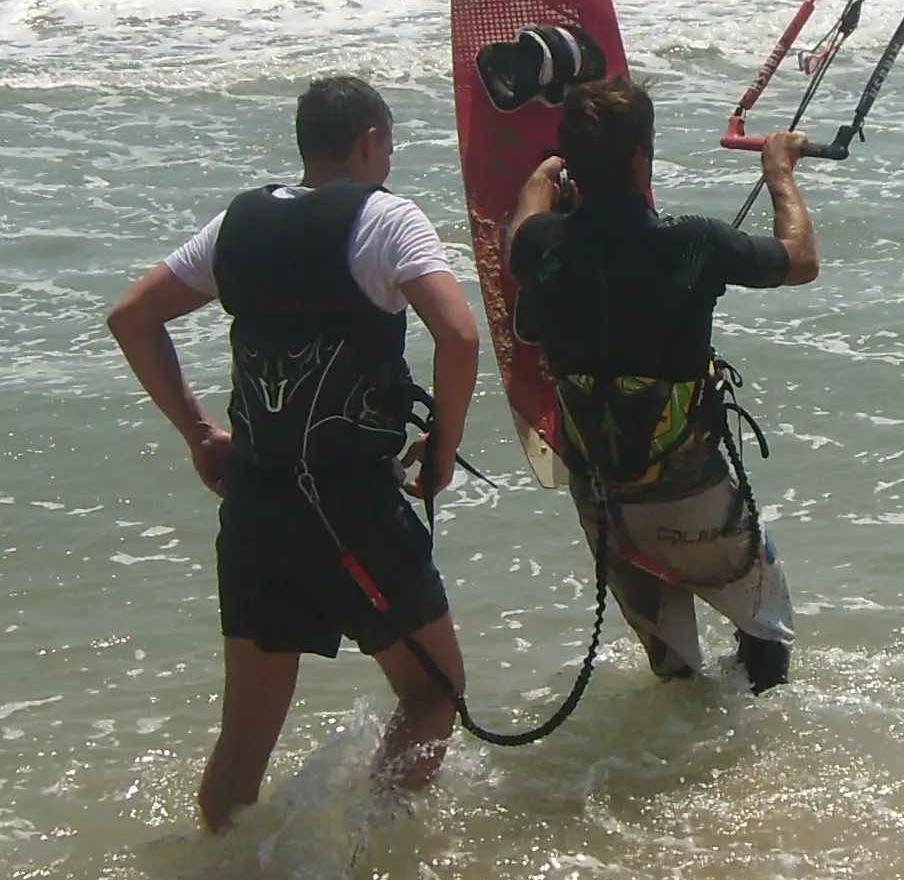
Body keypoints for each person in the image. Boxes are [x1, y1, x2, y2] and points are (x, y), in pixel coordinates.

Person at [106, 75, 479, 831]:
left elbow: (131, 318)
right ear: (371, 141)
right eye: (390, 145)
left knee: (242, 746)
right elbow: (460, 335)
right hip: (351, 509)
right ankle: (367, 868)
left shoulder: (238, 223)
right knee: (432, 693)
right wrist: (443, 443)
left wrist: (200, 433)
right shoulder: (387, 220)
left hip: (257, 507)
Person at [507, 80, 815, 692]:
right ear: (640, 161)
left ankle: (662, 774)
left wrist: (543, 177)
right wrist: (778, 170)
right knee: (767, 633)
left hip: (604, 505)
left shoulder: (540, 246)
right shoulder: (691, 241)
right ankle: (750, 762)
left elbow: (520, 231)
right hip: (691, 499)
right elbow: (800, 259)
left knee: (675, 673)